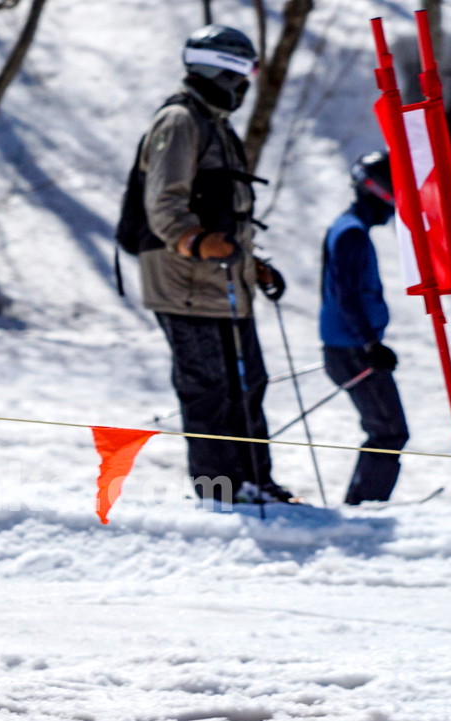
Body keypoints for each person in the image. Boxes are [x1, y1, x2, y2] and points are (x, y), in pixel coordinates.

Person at [134, 24, 293, 505]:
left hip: (224, 280)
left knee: (249, 382)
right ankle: (218, 492)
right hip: (185, 282)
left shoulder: (215, 125)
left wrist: (253, 263)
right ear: (221, 71)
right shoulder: (181, 121)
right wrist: (195, 241)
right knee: (210, 390)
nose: (246, 85)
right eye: (243, 73)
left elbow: (225, 209)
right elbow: (164, 203)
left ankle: (254, 482)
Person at [319, 151, 408, 505]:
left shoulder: (347, 227)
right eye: (393, 196)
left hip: (348, 347)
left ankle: (362, 500)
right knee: (389, 431)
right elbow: (347, 296)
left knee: (384, 429)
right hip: (352, 350)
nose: (394, 208)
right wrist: (371, 344)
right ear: (376, 191)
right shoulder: (351, 234)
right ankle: (364, 506)